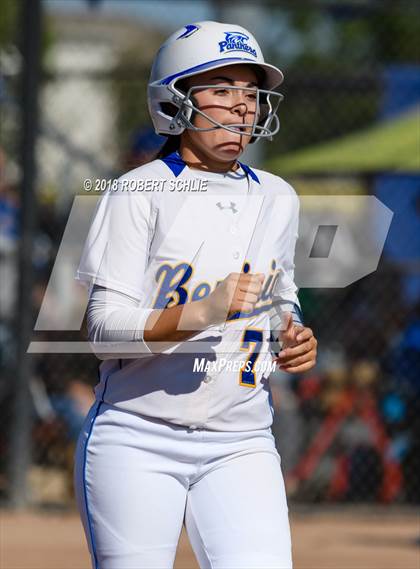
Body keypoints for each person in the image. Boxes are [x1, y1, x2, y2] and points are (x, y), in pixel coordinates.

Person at [74, 21, 317, 569]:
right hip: (138, 434)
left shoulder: (277, 196)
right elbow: (101, 330)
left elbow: (282, 294)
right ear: (174, 101)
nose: (241, 107)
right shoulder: (139, 191)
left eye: (250, 92)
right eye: (222, 89)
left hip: (243, 438)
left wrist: (292, 332)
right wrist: (204, 311)